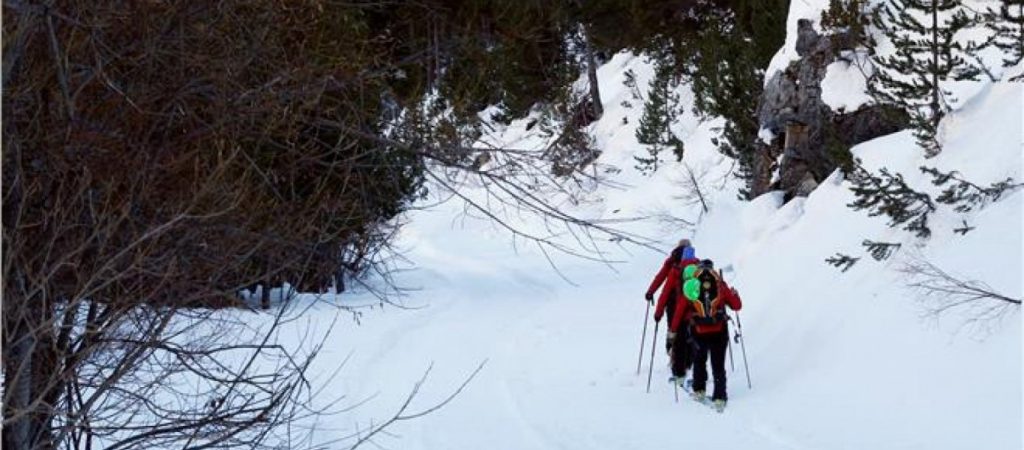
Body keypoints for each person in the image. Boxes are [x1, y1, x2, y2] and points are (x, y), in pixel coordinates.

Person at [674, 259, 742, 409]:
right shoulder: (720, 284)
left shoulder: (692, 285)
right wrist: (734, 294)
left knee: (699, 361)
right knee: (718, 364)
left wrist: (673, 330)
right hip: (719, 331)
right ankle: (720, 397)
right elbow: (736, 306)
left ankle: (699, 390)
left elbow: (680, 309)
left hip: (699, 331)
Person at [645, 239, 700, 381]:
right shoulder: (695, 265)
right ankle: (689, 361)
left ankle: (676, 363)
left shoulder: (673, 263)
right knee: (691, 333)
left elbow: (661, 279)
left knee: (675, 332)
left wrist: (651, 294)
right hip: (693, 304)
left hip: (672, 303)